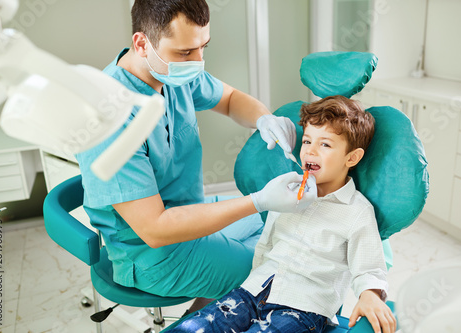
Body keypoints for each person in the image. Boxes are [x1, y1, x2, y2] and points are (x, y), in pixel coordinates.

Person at [75, 0, 316, 311]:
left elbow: (229, 99)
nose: (197, 62)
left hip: (192, 213)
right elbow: (155, 229)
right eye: (185, 53)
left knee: (273, 226)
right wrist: (258, 199)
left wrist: (263, 118)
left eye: (203, 47)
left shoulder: (172, 73)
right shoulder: (107, 117)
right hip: (152, 253)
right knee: (277, 274)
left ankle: (199, 312)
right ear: (141, 43)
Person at [167, 95, 397, 333]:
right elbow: (266, 245)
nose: (310, 151)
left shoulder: (357, 212)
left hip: (303, 309)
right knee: (193, 328)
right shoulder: (286, 193)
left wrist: (370, 295)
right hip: (252, 291)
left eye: (325, 144)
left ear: (352, 157)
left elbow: (370, 268)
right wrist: (252, 280)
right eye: (307, 141)